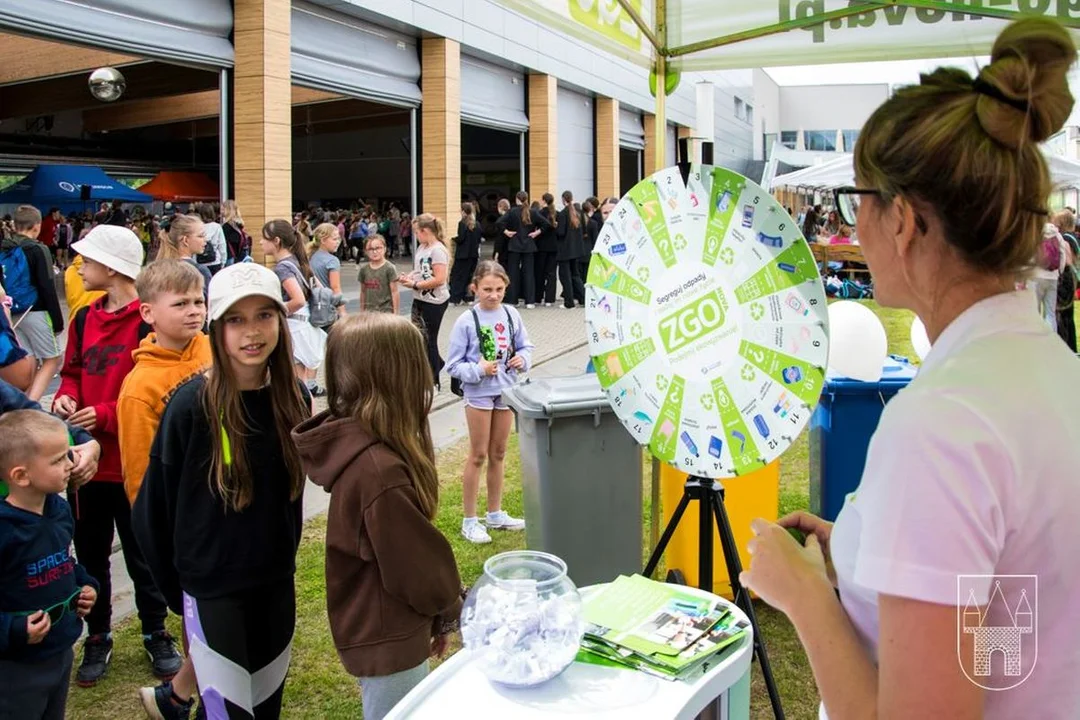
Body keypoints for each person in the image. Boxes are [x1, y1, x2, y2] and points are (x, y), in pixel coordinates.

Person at [739, 19, 1080, 720]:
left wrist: (804, 595)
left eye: (855, 201)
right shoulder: (1046, 370)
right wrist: (874, 564)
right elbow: (1008, 622)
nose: (850, 225)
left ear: (903, 222)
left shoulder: (944, 425)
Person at [133, 263, 312, 720]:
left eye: (264, 316)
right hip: (213, 589)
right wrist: (182, 592)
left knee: (266, 704)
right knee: (228, 712)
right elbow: (152, 512)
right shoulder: (192, 405)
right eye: (236, 319)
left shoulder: (295, 397)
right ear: (216, 326)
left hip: (274, 581)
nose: (252, 332)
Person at [292, 313, 463, 720]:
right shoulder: (379, 471)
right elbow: (416, 567)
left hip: (381, 624)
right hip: (388, 635)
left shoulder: (368, 448)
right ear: (397, 377)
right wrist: (450, 611)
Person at [49, 226, 181, 688]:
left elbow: (156, 388)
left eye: (87, 260)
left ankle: (155, 631)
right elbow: (71, 372)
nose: (79, 267)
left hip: (134, 461)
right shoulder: (84, 318)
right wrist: (65, 397)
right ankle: (98, 634)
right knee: (89, 553)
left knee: (144, 552)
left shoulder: (148, 323)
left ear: (112, 267)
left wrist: (103, 414)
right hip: (85, 467)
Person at [0, 411, 99, 720]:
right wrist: (12, 629)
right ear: (20, 476)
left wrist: (85, 585)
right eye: (58, 461)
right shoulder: (5, 530)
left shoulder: (58, 509)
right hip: (16, 666)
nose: (70, 465)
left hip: (60, 649)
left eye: (67, 455)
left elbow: (62, 560)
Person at [445, 261, 532, 544]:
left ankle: (494, 513)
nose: (493, 295)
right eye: (487, 289)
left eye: (498, 289)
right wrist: (478, 370)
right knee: (478, 454)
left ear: (506, 287)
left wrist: (523, 360)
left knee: (499, 453)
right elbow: (453, 365)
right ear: (475, 288)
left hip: (506, 392)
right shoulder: (466, 321)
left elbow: (524, 346)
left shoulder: (511, 313)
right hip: (479, 394)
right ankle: (470, 520)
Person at [0, 205, 66, 402]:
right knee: (52, 359)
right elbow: (47, 287)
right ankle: (29, 407)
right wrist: (57, 321)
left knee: (26, 360)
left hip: (11, 312)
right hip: (36, 310)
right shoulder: (38, 249)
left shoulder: (4, 247)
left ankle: (19, 401)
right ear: (36, 227)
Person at [261, 219, 327, 397]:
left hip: (294, 328)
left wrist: (273, 310)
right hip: (305, 326)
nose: (260, 242)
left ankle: (303, 419)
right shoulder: (298, 261)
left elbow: (297, 300)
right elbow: (318, 289)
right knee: (302, 382)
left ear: (276, 241)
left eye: (264, 238)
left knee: (297, 385)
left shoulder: (283, 268)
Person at [399, 214, 450, 392]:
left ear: (426, 231)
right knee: (418, 338)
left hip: (434, 300)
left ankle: (434, 380)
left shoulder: (438, 250)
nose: (415, 236)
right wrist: (410, 277)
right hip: (419, 298)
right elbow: (420, 269)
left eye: (416, 232)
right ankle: (436, 365)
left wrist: (415, 284)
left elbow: (440, 279)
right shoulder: (423, 247)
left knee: (429, 340)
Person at [501, 191, 550, 307]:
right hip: (529, 246)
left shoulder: (512, 212)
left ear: (517, 199)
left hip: (514, 246)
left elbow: (499, 222)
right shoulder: (533, 212)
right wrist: (536, 233)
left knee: (513, 273)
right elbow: (546, 224)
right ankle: (530, 301)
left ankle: (513, 300)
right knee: (529, 274)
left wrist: (506, 232)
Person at [308, 223, 346, 328]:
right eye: (334, 239)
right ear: (323, 240)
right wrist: (343, 313)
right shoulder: (332, 260)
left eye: (338, 239)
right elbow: (335, 287)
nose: (338, 242)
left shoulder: (309, 257)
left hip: (311, 306)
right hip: (327, 309)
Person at [556, 191, 587, 309]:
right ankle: (584, 299)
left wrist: (556, 227)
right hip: (576, 250)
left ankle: (569, 302)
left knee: (565, 276)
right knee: (575, 275)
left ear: (563, 199)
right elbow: (583, 230)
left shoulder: (563, 214)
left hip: (565, 250)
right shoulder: (579, 212)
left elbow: (561, 232)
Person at [1053, 209, 1078, 350]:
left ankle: (1064, 346)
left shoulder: (1065, 238)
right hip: (1071, 277)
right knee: (1068, 315)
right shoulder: (1073, 237)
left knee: (1062, 315)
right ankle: (1071, 347)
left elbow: (1067, 260)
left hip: (1064, 277)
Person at [449, 203, 482, 305]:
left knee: (457, 276)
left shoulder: (462, 223)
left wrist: (453, 239)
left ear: (463, 211)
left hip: (462, 255)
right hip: (473, 255)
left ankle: (455, 299)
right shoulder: (477, 224)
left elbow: (461, 238)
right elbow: (479, 239)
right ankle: (468, 298)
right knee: (469, 276)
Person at [358, 235, 399, 314]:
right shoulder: (364, 269)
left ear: (384, 248)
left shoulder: (389, 268)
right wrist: (362, 311)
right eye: (370, 249)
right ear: (365, 251)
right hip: (369, 312)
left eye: (378, 248)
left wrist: (396, 313)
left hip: (385, 311)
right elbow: (363, 292)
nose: (374, 252)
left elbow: (394, 292)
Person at [533, 193, 559, 306]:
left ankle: (538, 297)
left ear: (543, 201)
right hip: (554, 247)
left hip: (541, 247)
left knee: (540, 273)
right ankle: (550, 299)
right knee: (551, 274)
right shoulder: (557, 213)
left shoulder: (540, 213)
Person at [221, 200, 249, 265]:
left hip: (230, 258)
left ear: (228, 210)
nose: (221, 212)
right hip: (240, 257)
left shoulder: (227, 226)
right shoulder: (239, 225)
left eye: (223, 209)